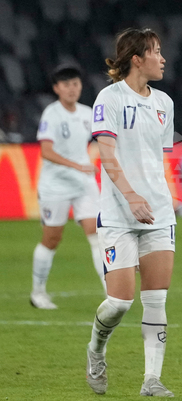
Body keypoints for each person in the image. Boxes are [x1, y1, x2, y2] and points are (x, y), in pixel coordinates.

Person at [86, 28, 179, 398]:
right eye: (156, 51)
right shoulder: (108, 98)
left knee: (156, 299)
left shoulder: (165, 104)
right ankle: (96, 349)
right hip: (118, 214)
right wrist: (131, 196)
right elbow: (106, 154)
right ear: (136, 59)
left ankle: (151, 380)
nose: (163, 58)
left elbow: (158, 158)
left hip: (158, 215)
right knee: (120, 302)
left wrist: (163, 197)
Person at [30, 65, 106, 309]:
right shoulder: (51, 115)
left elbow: (104, 138)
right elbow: (46, 151)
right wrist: (77, 165)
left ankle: (111, 292)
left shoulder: (88, 112)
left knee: (97, 234)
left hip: (83, 183)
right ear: (56, 89)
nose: (72, 89)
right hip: (56, 185)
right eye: (66, 85)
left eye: (75, 84)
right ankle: (38, 292)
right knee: (52, 239)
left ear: (81, 86)